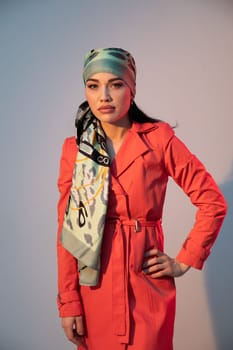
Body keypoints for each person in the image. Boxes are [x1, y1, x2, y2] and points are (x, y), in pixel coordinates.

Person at [56, 47, 227, 350]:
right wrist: (69, 301)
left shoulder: (158, 139)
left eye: (116, 84)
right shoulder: (76, 150)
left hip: (146, 284)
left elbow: (212, 201)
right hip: (94, 285)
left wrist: (185, 259)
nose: (104, 95)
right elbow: (67, 230)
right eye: (93, 85)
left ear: (131, 88)